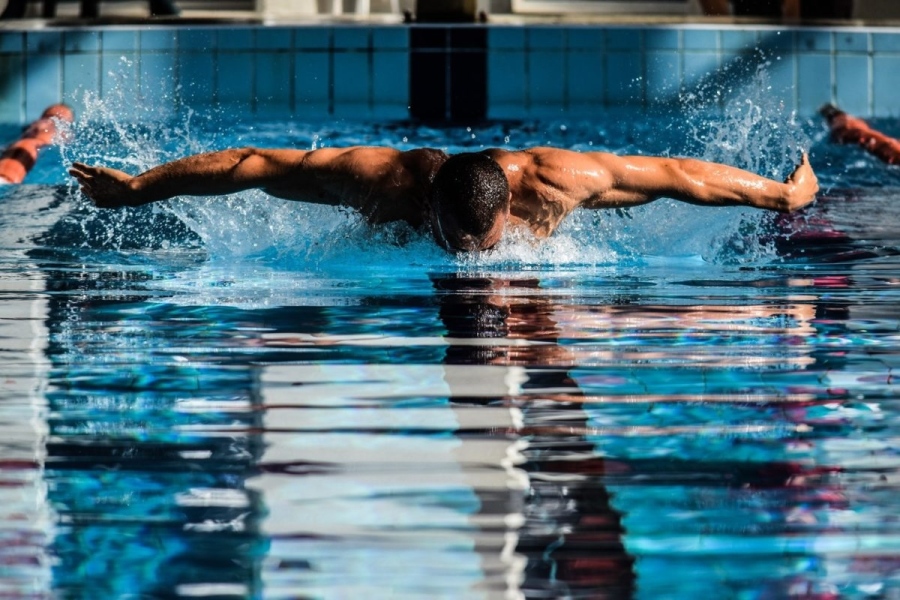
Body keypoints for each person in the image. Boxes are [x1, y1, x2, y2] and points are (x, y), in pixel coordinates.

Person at [69, 145, 819, 253]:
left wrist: (781, 196)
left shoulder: (558, 185)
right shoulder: (379, 181)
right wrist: (136, 189)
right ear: (428, 210)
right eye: (455, 244)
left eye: (482, 246)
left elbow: (680, 177)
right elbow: (254, 163)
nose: (470, 262)